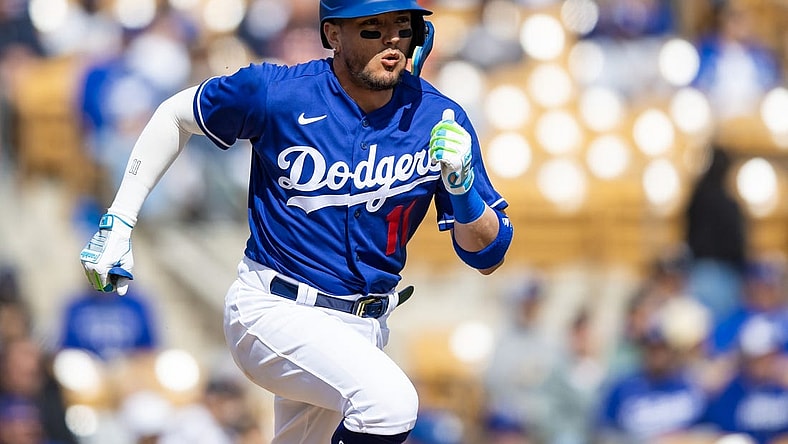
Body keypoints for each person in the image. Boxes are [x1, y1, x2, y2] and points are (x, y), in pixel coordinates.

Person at [78, 1, 514, 443]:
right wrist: (119, 219)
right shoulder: (279, 92)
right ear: (333, 35)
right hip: (274, 306)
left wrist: (464, 192)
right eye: (372, 27)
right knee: (390, 404)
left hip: (364, 324)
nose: (391, 40)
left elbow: (487, 253)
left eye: (402, 27)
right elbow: (176, 114)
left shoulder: (437, 117)